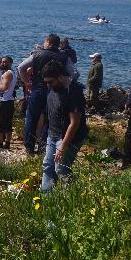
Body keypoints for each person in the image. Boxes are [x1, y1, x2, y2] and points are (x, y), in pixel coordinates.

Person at [18, 34, 76, 155]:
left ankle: (29, 147)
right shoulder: (64, 56)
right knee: (49, 119)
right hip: (55, 91)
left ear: (48, 42)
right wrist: (65, 83)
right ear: (58, 44)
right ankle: (43, 146)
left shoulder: (37, 54)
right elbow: (75, 74)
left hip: (37, 89)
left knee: (31, 117)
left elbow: (21, 67)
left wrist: (27, 82)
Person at [39, 61, 87, 192]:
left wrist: (63, 147)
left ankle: (70, 197)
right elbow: (49, 113)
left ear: (60, 77)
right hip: (52, 134)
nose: (48, 85)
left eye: (50, 82)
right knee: (48, 166)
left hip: (69, 138)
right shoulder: (53, 89)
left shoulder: (74, 92)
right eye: (46, 82)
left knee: (61, 168)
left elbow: (75, 122)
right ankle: (45, 196)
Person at [0, 57, 17, 149]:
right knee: (8, 123)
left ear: (10, 63)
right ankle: (7, 143)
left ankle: (0, 144)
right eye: (2, 62)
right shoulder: (13, 72)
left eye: (5, 62)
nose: (3, 63)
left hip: (4, 101)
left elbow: (4, 87)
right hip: (10, 100)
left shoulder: (7, 73)